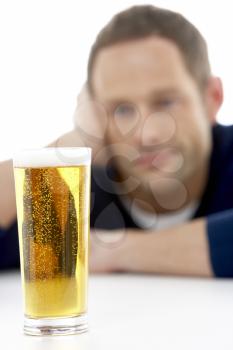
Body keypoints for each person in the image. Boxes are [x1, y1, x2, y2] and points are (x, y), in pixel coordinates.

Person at [1, 5, 233, 277]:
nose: (147, 135)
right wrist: (72, 145)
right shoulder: (84, 190)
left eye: (166, 102)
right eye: (121, 109)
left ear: (212, 98)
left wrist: (111, 249)